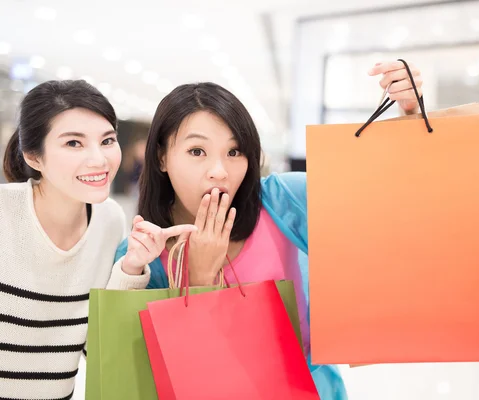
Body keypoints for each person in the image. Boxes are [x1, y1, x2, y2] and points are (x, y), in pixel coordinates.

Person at [114, 60, 424, 399]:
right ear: (160, 158)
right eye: (197, 151)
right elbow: (152, 377)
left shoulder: (281, 200)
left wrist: (408, 117)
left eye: (234, 151)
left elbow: (386, 201)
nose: (219, 170)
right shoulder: (142, 256)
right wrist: (201, 278)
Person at [0, 80, 195, 399]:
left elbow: (98, 344)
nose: (99, 160)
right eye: (74, 143)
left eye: (107, 141)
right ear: (34, 157)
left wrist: (131, 267)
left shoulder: (108, 219)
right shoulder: (4, 212)